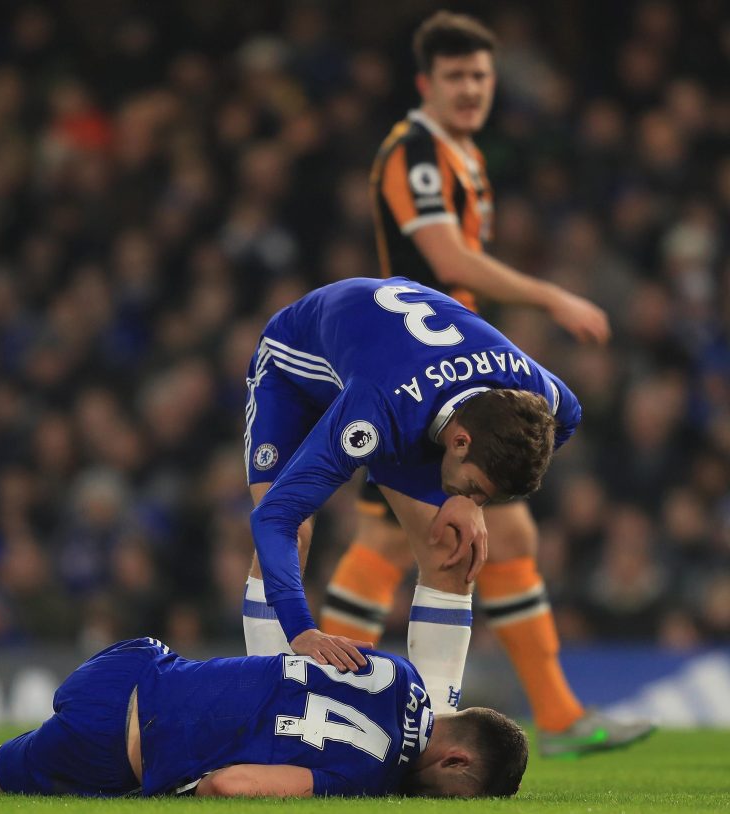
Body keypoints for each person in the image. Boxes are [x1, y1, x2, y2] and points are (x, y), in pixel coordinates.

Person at [318, 10, 652, 756]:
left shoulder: (458, 153)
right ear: (424, 84)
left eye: (480, 76)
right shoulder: (417, 154)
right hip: (417, 381)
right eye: (456, 77)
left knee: (457, 533)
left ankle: (555, 712)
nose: (470, 88)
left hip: (452, 374)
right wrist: (552, 296)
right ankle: (330, 701)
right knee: (410, 539)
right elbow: (449, 258)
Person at [241, 275, 575, 715]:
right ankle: (265, 709)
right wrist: (301, 630)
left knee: (452, 550)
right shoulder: (376, 413)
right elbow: (273, 520)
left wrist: (466, 499)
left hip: (411, 385)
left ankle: (435, 729)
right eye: (476, 489)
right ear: (460, 442)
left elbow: (566, 422)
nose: (478, 502)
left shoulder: (546, 396)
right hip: (297, 373)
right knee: (296, 529)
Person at [0, 636, 529, 799]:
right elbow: (234, 785)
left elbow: (300, 665)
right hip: (121, 746)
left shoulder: (398, 671)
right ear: (457, 762)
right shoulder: (366, 778)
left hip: (136, 664)